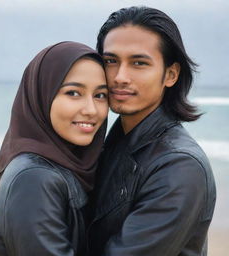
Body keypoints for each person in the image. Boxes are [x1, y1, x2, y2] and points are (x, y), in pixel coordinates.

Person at [87, 6, 216, 256]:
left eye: (139, 63)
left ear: (170, 74)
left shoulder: (178, 166)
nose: (120, 77)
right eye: (110, 61)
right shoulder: (109, 143)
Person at [0, 41, 108, 256]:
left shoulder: (67, 166)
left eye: (100, 95)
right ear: (41, 95)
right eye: (73, 93)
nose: (91, 109)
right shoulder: (34, 178)